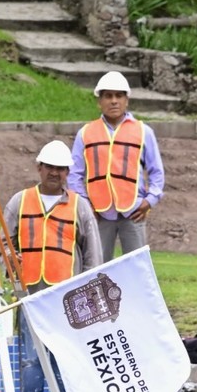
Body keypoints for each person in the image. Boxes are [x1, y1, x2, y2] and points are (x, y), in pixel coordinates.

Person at [3, 141, 104, 392]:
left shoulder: (79, 206)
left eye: (61, 169)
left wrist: (88, 290)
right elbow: (3, 244)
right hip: (29, 292)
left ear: (68, 173)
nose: (55, 173)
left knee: (65, 355)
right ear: (39, 168)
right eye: (50, 167)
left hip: (66, 295)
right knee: (31, 358)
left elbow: (92, 252)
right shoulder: (19, 202)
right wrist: (10, 261)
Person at [68, 71, 166, 259]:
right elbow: (74, 174)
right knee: (97, 269)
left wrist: (150, 200)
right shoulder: (86, 133)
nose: (114, 101)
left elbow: (156, 172)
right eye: (108, 96)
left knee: (137, 265)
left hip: (134, 211)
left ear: (126, 100)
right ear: (100, 101)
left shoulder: (143, 131)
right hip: (98, 213)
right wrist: (86, 206)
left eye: (119, 95)